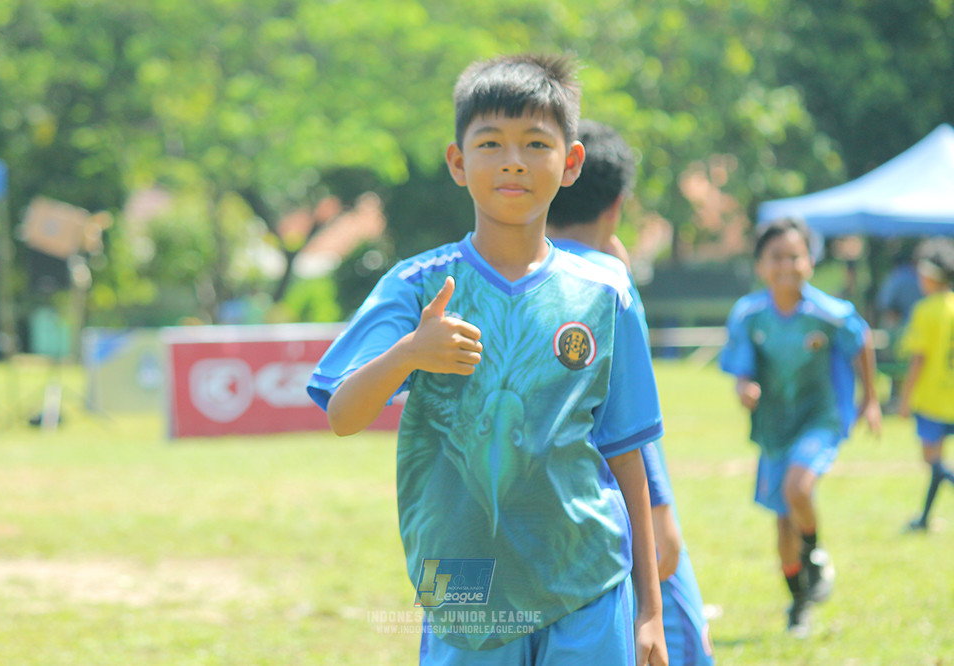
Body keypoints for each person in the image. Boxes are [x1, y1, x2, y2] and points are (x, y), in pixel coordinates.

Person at [307, 54, 668, 665]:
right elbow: (342, 414)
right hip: (463, 586)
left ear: (570, 161)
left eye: (535, 143)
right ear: (457, 161)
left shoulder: (606, 291)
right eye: (491, 142)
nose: (513, 161)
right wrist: (410, 353)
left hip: (586, 576)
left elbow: (626, 451)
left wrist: (651, 610)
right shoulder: (415, 284)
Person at [547, 119, 714, 665]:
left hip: (536, 526)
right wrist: (661, 509)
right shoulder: (610, 285)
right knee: (682, 646)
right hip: (621, 513)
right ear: (617, 204)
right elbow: (627, 422)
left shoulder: (506, 274)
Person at [719, 217, 882, 638]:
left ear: (810, 261)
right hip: (774, 426)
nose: (787, 265)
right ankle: (799, 603)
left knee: (798, 489)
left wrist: (871, 399)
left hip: (820, 418)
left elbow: (862, 339)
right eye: (776, 256)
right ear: (761, 265)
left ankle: (815, 553)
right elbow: (740, 370)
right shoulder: (749, 315)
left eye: (795, 255)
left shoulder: (828, 312)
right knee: (781, 523)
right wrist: (745, 388)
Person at [898, 238, 954, 532]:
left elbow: (918, 359)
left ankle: (922, 519)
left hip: (932, 400)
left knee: (932, 461)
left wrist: (904, 399)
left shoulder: (926, 310)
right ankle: (923, 519)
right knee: (937, 462)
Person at [875, 242, 923, 412]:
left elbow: (886, 304)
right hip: (926, 331)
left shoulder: (898, 276)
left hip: (904, 332)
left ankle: (898, 400)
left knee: (898, 365)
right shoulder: (922, 276)